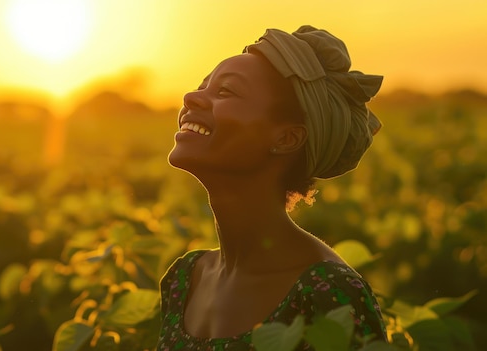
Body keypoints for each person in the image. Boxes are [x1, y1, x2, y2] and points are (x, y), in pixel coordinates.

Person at [157, 25, 387, 351]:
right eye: (201, 86)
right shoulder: (184, 278)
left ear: (286, 138)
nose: (191, 97)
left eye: (225, 92)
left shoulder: (329, 293)